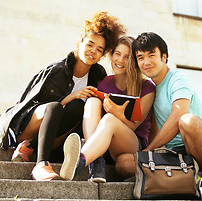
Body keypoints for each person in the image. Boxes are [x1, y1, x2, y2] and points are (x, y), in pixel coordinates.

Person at [0, 11, 126, 181]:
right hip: (27, 127)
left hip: (54, 137)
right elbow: (29, 104)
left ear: (102, 55)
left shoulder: (97, 75)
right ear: (79, 43)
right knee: (56, 106)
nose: (93, 51)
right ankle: (41, 164)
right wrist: (70, 97)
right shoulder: (56, 70)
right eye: (90, 44)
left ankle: (31, 148)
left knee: (80, 107)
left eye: (99, 49)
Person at [59, 36, 156, 181]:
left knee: (110, 119)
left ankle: (80, 161)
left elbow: (134, 125)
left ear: (134, 61)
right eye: (117, 54)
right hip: (106, 144)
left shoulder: (147, 87)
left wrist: (116, 112)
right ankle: (96, 162)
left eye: (127, 57)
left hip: (133, 143)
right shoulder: (104, 83)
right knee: (92, 101)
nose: (120, 60)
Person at [131, 32, 202, 171]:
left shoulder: (178, 79)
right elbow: (152, 129)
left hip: (201, 146)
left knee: (188, 121)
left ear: (164, 57)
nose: (146, 62)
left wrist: (150, 149)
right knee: (125, 163)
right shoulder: (150, 90)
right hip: (174, 153)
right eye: (140, 58)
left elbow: (178, 116)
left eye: (151, 55)